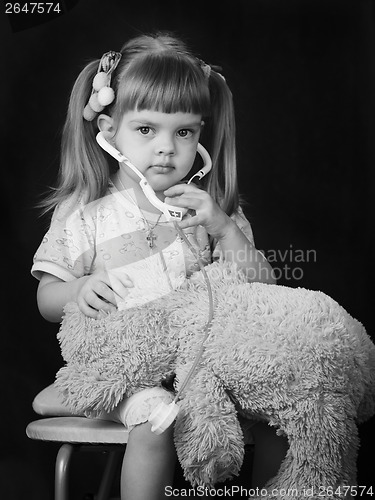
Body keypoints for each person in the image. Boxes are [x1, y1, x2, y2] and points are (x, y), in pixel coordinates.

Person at [31, 31, 286, 499]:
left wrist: (225, 229)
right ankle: (72, 392)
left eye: (184, 131)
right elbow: (47, 298)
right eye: (146, 130)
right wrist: (79, 289)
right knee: (158, 421)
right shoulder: (87, 211)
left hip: (203, 369)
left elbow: (264, 292)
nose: (167, 148)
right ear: (109, 132)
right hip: (124, 371)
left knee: (281, 416)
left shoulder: (211, 210)